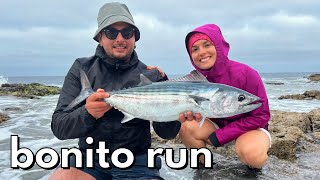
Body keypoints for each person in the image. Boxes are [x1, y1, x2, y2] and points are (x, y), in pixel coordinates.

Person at [49, 2, 180, 180]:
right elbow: (59, 126)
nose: (120, 39)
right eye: (111, 32)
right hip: (90, 160)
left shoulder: (150, 75)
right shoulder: (82, 68)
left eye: (127, 32)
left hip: (138, 162)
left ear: (134, 38)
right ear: (100, 38)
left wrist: (175, 106)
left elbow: (167, 133)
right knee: (63, 176)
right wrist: (88, 113)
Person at [178, 24, 271, 169]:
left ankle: (252, 172)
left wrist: (222, 136)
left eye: (207, 45)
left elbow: (261, 116)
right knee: (187, 127)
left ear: (219, 46)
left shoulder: (247, 73)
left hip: (249, 130)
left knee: (252, 155)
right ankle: (203, 168)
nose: (201, 52)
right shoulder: (193, 80)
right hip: (214, 127)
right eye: (195, 49)